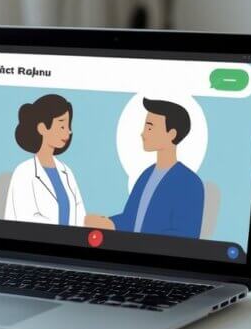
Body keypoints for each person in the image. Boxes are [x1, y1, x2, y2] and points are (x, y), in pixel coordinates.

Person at [85, 98, 203, 238]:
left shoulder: (189, 183)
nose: (143, 133)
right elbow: (131, 219)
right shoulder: (146, 175)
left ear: (171, 134)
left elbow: (185, 236)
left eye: (149, 127)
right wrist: (108, 223)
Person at [4, 94, 87, 227]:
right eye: (62, 126)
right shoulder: (23, 173)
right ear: (42, 128)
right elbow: (25, 220)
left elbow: (80, 214)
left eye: (68, 126)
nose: (69, 132)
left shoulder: (67, 172)